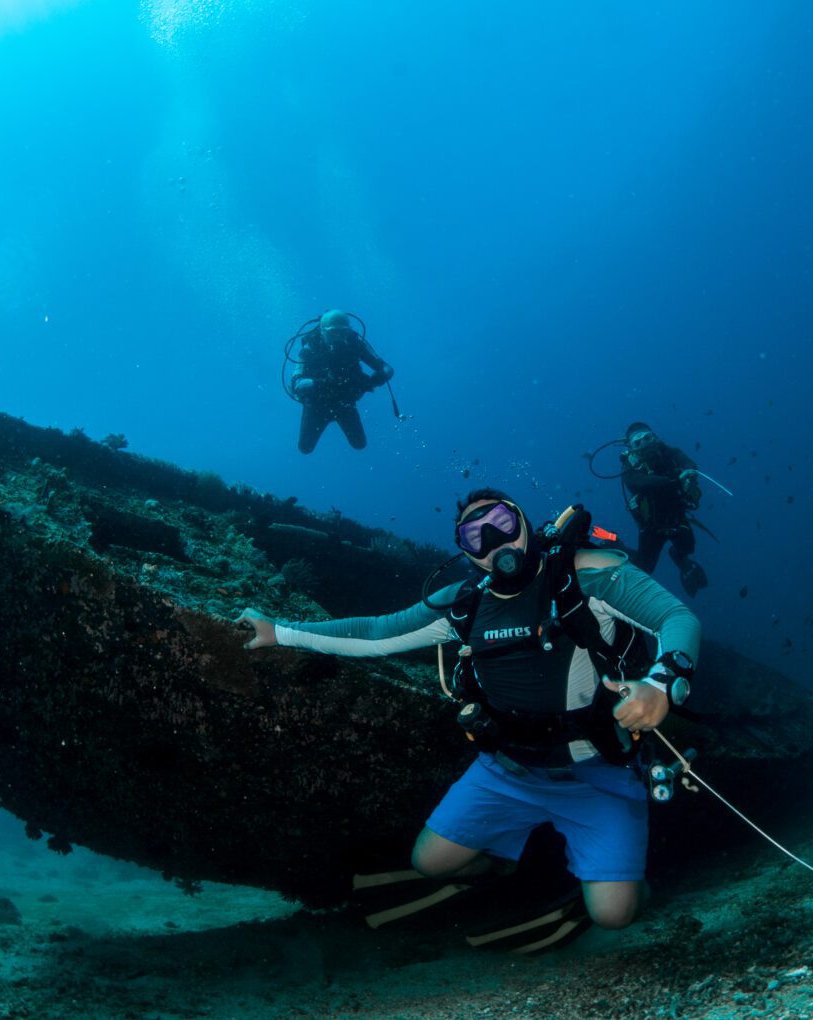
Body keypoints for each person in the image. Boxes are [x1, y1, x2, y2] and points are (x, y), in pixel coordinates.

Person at [235, 488, 700, 933]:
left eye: (501, 522)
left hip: (599, 771)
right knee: (428, 862)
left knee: (614, 916)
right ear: (467, 552)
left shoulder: (586, 574)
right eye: (475, 536)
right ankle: (513, 865)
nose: (495, 541)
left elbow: (676, 619)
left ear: (522, 520)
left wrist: (661, 684)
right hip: (507, 770)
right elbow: (377, 633)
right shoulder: (463, 603)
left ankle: (629, 884)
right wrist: (280, 632)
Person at [619, 422, 709, 597]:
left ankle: (680, 559)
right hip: (652, 527)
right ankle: (614, 544)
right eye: (637, 443)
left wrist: (690, 473)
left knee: (687, 548)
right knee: (645, 566)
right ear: (631, 447)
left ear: (655, 437)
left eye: (647, 438)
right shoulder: (630, 469)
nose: (645, 444)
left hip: (677, 517)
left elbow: (688, 462)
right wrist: (675, 481)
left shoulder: (670, 453)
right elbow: (638, 483)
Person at [287, 309, 394, 453]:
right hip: (317, 404)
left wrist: (372, 381)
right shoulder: (310, 348)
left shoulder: (355, 344)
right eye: (333, 333)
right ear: (323, 332)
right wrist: (325, 383)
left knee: (359, 444)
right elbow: (297, 385)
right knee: (305, 448)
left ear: (348, 331)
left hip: (344, 402)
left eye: (342, 333)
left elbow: (386, 368)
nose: (338, 338)